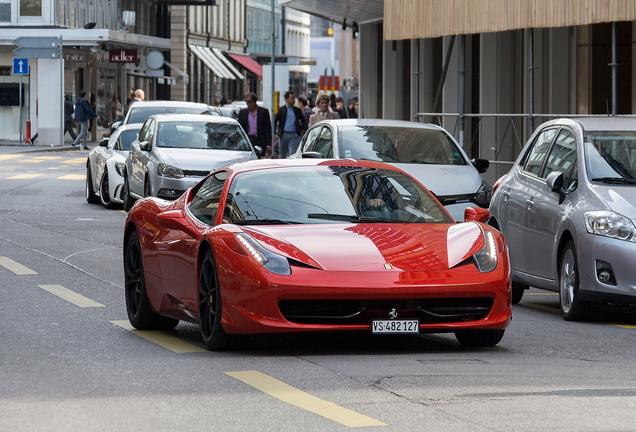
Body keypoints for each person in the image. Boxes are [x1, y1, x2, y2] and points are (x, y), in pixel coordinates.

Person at [274, 91, 307, 159]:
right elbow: (275, 121)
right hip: (283, 134)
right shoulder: (281, 110)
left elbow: (303, 120)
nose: (293, 100)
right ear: (286, 99)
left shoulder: (297, 110)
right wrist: (275, 133)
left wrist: (301, 130)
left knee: (292, 154)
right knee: (282, 154)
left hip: (294, 135)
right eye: (291, 98)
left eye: (294, 98)